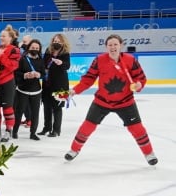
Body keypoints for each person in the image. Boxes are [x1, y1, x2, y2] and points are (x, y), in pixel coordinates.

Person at [65, 34, 158, 165]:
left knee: (138, 129)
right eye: (110, 45)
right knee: (87, 127)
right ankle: (73, 150)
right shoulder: (99, 60)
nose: (113, 47)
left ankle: (149, 153)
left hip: (126, 102)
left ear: (121, 45)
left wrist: (139, 85)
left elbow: (141, 78)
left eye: (115, 44)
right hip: (101, 101)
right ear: (106, 47)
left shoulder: (130, 60)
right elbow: (88, 79)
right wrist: (74, 91)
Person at [0, 25, 21, 142]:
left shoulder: (14, 50)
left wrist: (2, 56)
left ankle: (8, 130)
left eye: (4, 36)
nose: (1, 38)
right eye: (0, 36)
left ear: (10, 38)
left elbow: (12, 66)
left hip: (6, 83)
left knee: (7, 108)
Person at [12, 39, 45, 141]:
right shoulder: (22, 59)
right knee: (19, 112)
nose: (34, 49)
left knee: (35, 113)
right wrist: (25, 75)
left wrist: (39, 75)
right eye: (33, 48)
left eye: (37, 48)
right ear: (28, 48)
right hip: (22, 90)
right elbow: (16, 73)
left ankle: (33, 133)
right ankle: (15, 131)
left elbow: (43, 74)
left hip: (36, 91)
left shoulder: (41, 60)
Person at [39, 33, 71, 137]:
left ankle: (56, 130)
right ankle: (46, 128)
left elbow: (67, 66)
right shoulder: (48, 51)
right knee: (47, 107)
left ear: (63, 43)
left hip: (60, 84)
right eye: (55, 41)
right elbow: (43, 65)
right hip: (47, 83)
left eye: (58, 41)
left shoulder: (65, 53)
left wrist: (60, 63)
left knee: (57, 108)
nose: (56, 43)